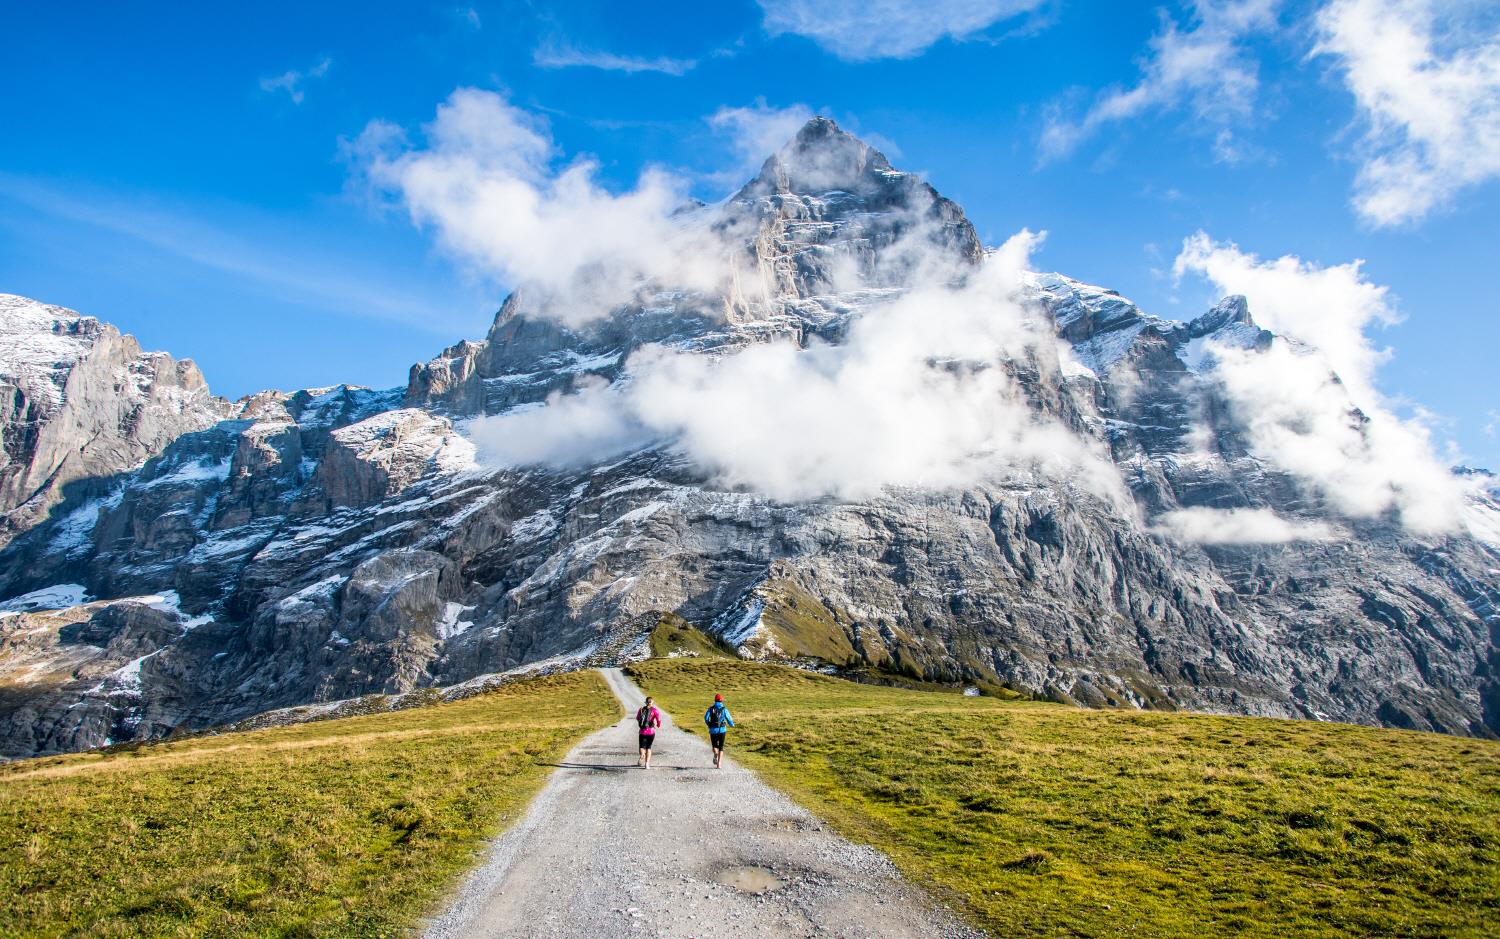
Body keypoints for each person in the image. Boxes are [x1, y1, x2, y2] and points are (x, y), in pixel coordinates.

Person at [704, 693, 735, 769]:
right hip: (722, 730)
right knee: (721, 747)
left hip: (713, 730)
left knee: (714, 745)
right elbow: (729, 719)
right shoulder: (724, 709)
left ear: (715, 700)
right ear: (721, 701)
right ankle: (719, 763)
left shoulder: (711, 709)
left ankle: (715, 753)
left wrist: (709, 725)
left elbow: (706, 718)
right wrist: (732, 725)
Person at [636, 695, 662, 768]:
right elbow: (658, 719)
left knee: (641, 746)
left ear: (646, 702)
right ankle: (647, 764)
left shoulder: (641, 709)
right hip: (651, 732)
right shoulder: (655, 710)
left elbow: (638, 718)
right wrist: (658, 725)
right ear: (652, 702)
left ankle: (642, 755)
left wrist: (642, 723)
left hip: (642, 732)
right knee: (649, 747)